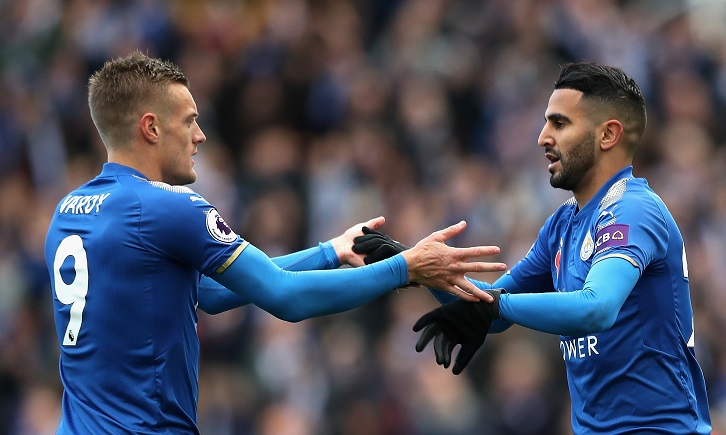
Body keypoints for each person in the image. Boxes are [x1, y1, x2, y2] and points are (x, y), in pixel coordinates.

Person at [43, 50, 508, 434]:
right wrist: (405, 267)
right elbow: (285, 298)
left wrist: (329, 253)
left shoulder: (67, 214)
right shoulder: (170, 207)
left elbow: (205, 292)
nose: (200, 136)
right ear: (151, 128)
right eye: (189, 122)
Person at [354, 61, 712, 434]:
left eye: (559, 123)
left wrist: (496, 306)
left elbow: (596, 308)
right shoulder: (563, 224)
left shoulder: (632, 208)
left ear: (608, 135)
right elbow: (489, 306)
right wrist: (412, 264)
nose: (542, 137)